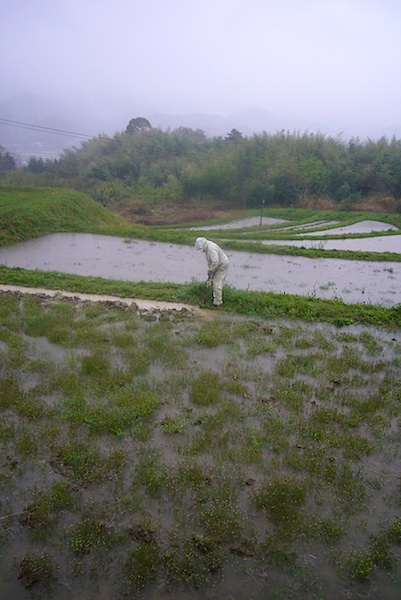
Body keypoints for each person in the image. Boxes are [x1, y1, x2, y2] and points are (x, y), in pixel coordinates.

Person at [194, 237, 229, 306]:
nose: (201, 250)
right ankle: (215, 297)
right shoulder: (207, 247)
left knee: (217, 283)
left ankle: (217, 302)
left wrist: (211, 271)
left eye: (201, 248)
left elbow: (215, 261)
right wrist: (211, 274)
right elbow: (211, 262)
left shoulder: (211, 248)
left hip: (222, 265)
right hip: (216, 266)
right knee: (212, 281)